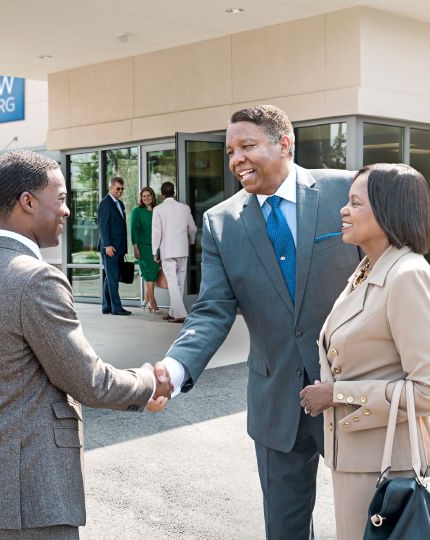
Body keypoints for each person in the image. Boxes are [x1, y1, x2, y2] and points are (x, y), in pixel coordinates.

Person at [153, 105, 361, 539]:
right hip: (276, 405)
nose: (236, 160)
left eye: (246, 146)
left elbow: (382, 278)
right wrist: (173, 369)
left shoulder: (345, 191)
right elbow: (212, 310)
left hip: (352, 393)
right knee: (284, 531)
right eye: (231, 151)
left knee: (368, 523)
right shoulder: (220, 222)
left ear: (284, 144)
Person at [0, 149, 170, 540]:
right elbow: (89, 381)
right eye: (63, 198)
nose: (67, 211)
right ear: (28, 202)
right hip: (31, 492)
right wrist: (149, 381)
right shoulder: (36, 280)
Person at [299, 163, 430, 540]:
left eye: (356, 203)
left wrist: (336, 393)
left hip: (393, 470)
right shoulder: (368, 271)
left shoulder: (408, 276)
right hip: (358, 462)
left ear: (389, 212)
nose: (343, 210)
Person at [151, 181, 197, 323]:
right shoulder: (185, 208)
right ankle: (172, 312)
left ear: (162, 195)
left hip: (167, 250)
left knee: (172, 283)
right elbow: (193, 228)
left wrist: (155, 251)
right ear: (174, 193)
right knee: (179, 282)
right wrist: (191, 241)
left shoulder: (158, 209)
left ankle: (180, 314)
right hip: (182, 250)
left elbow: (156, 233)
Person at [96, 176, 130, 315]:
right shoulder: (105, 204)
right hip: (110, 248)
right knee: (113, 279)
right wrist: (107, 245)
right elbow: (103, 227)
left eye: (122, 189)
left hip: (119, 248)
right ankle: (116, 308)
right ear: (110, 188)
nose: (120, 191)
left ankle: (107, 306)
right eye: (118, 188)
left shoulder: (120, 204)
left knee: (109, 277)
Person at [130, 186, 162, 312]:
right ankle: (153, 303)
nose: (146, 198)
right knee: (149, 275)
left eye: (148, 196)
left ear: (153, 196)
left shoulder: (157, 210)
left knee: (152, 274)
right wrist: (135, 247)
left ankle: (148, 301)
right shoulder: (137, 211)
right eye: (144, 196)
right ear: (141, 198)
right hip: (143, 247)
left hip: (156, 247)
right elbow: (133, 230)